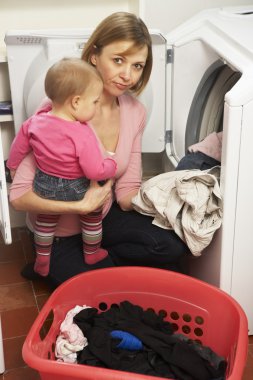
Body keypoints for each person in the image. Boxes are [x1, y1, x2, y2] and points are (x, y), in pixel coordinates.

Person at [9, 12, 190, 288]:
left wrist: (164, 199)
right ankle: (55, 264)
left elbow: (126, 187)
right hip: (58, 229)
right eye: (118, 60)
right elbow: (20, 196)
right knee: (100, 292)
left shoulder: (134, 112)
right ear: (95, 56)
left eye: (138, 66)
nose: (127, 75)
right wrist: (80, 205)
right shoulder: (59, 107)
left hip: (101, 218)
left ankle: (101, 266)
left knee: (171, 247)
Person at [7, 57, 117, 276]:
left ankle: (42, 260)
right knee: (92, 216)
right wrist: (110, 165)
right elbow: (94, 170)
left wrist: (12, 166)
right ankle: (92, 251)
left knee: (45, 221)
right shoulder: (82, 132)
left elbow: (18, 148)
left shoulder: (35, 122)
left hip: (44, 184)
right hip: (77, 188)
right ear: (76, 102)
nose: (96, 108)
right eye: (94, 102)